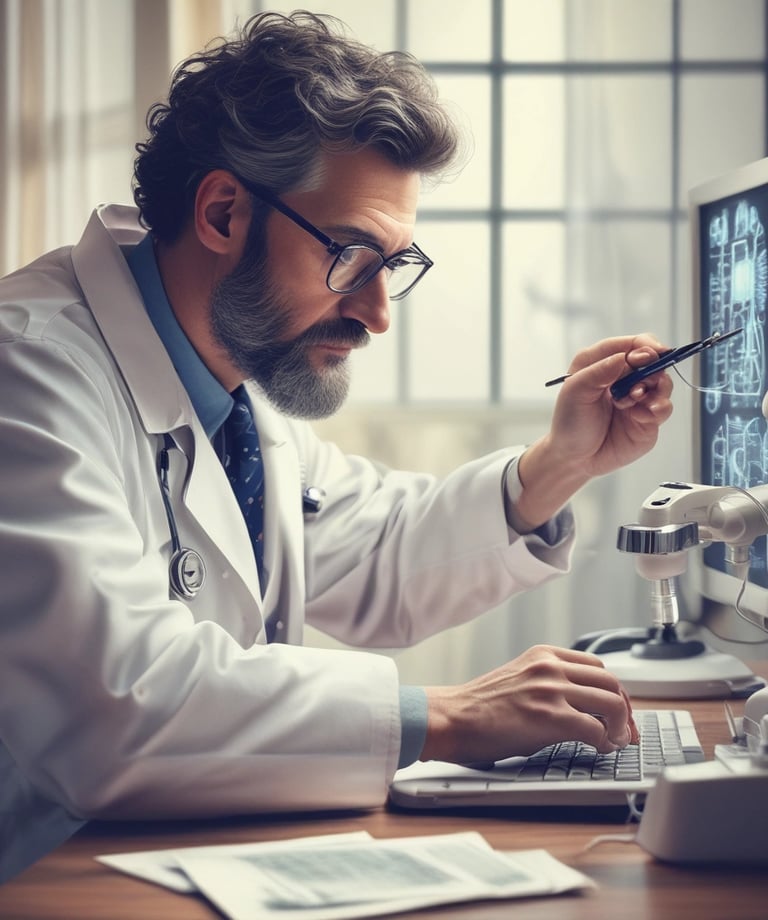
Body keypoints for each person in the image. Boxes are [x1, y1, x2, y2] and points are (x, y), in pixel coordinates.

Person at [0, 10, 673, 880]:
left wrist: (564, 462)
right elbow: (117, 706)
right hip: (43, 873)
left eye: (395, 263)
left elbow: (377, 552)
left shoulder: (233, 379)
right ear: (222, 211)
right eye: (352, 254)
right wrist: (448, 716)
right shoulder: (29, 377)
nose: (378, 310)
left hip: (164, 852)